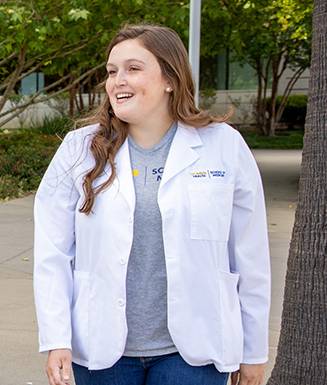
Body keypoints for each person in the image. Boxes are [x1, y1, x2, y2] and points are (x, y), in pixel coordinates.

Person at [33, 24, 269, 385]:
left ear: (170, 79)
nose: (117, 81)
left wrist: (253, 352)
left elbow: (250, 256)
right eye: (112, 72)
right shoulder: (79, 149)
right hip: (102, 352)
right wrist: (56, 339)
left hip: (193, 353)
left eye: (133, 68)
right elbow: (52, 253)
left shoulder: (223, 146)